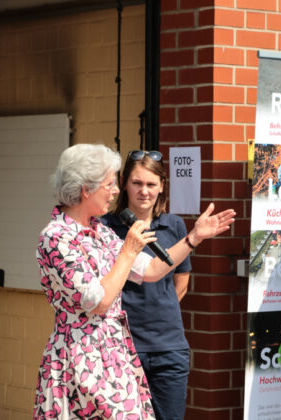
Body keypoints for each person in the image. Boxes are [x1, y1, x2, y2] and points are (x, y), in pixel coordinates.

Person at [33, 144, 235, 418]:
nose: (116, 191)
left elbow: (151, 270)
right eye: (110, 184)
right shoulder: (56, 237)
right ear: (86, 189)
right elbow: (98, 301)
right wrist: (127, 251)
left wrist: (193, 238)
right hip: (82, 357)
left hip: (115, 354)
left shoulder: (100, 232)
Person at [101, 150, 190, 419]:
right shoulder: (105, 227)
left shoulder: (174, 225)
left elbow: (182, 284)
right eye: (137, 183)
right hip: (121, 346)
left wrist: (158, 313)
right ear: (124, 182)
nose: (144, 191)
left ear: (162, 186)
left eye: (151, 184)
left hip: (169, 349)